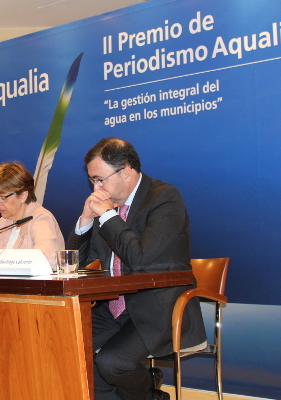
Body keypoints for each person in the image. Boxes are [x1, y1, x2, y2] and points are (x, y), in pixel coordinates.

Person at [67, 138, 206, 400]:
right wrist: (86, 219)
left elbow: (139, 258)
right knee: (69, 347)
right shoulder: (107, 210)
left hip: (156, 308)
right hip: (113, 305)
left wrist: (108, 216)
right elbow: (76, 262)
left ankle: (151, 395)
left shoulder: (165, 198)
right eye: (92, 181)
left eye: (100, 180)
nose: (96, 188)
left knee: (111, 362)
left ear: (126, 172)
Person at [0, 162, 64, 267]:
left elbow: (48, 261)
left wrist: (6, 263)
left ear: (23, 195)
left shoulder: (41, 219)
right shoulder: (3, 222)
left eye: (2, 198)